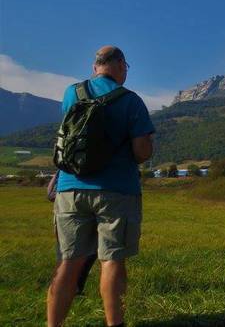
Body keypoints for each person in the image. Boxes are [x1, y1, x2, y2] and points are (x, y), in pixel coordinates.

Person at [48, 46, 155, 327]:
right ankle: (114, 324)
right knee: (112, 260)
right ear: (120, 65)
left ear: (96, 66)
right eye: (126, 67)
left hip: (70, 187)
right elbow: (142, 151)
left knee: (68, 261)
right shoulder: (131, 101)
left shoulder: (72, 92)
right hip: (116, 190)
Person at [47, 171, 98, 296]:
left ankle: (71, 290)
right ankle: (74, 288)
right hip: (104, 193)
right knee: (78, 254)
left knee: (70, 254)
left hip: (68, 194)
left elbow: (50, 193)